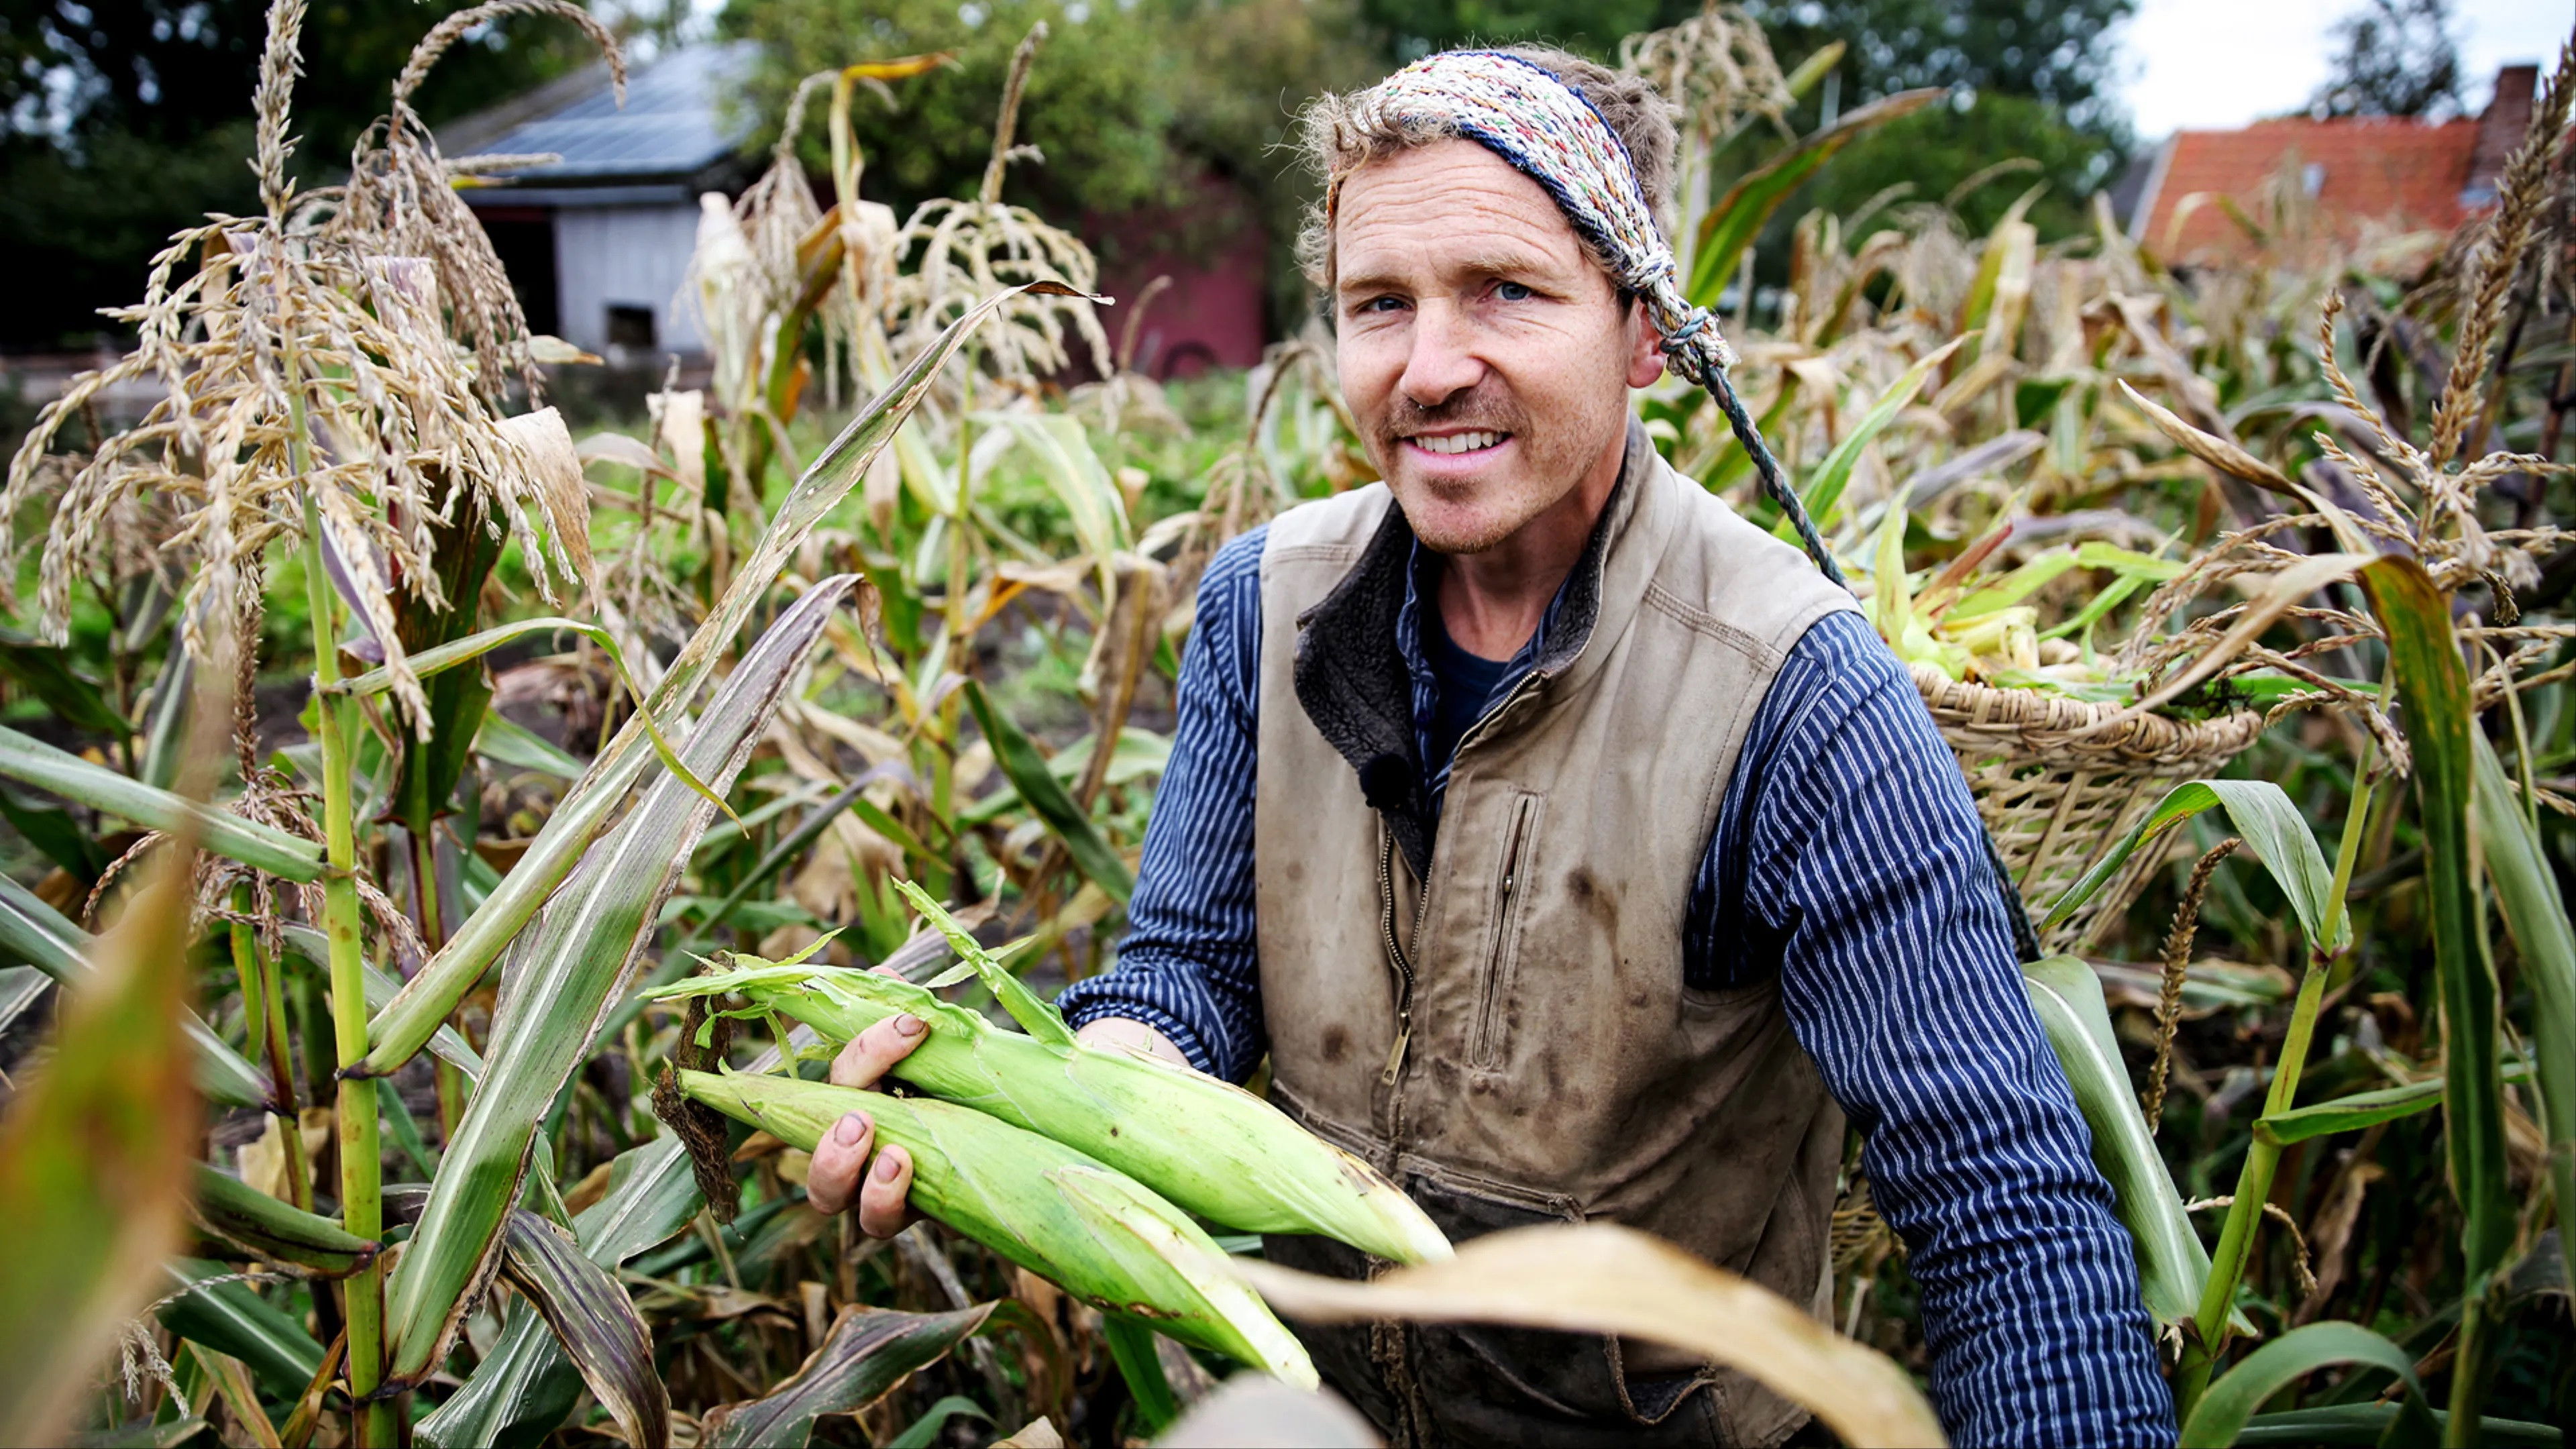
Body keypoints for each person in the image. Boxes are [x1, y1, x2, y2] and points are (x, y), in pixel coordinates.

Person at [806, 46, 2178, 1448]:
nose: (1431, 367)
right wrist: (1038, 1102)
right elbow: (1193, 972)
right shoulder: (1261, 606)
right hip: (1321, 1400)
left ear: (1641, 330)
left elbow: (1998, 1203)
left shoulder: (1795, 691)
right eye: (1379, 305)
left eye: (1506, 292)